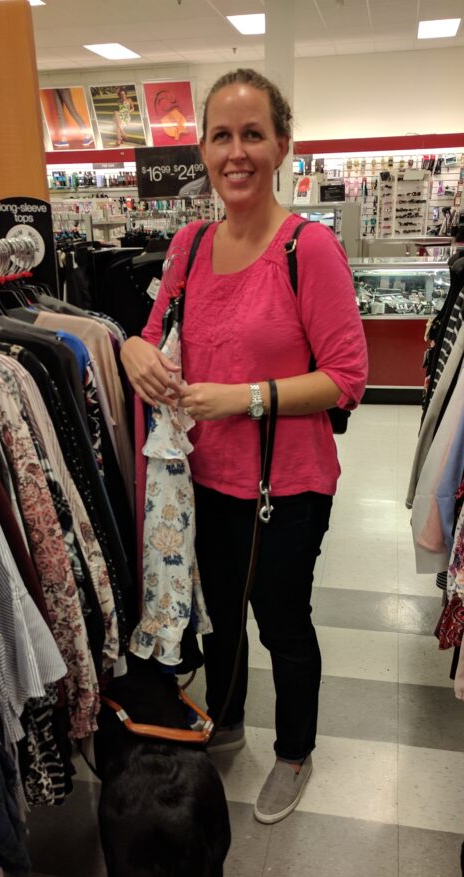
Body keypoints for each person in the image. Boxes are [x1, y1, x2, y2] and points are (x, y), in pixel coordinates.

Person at [121, 68, 368, 824]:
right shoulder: (189, 246)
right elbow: (155, 329)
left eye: (252, 134)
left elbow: (348, 376)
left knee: (282, 620)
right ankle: (225, 718)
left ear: (281, 146)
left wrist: (248, 398)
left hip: (286, 486)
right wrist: (132, 348)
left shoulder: (308, 248)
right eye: (222, 136)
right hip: (205, 479)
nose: (237, 152)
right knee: (221, 613)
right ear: (201, 149)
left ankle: (294, 752)